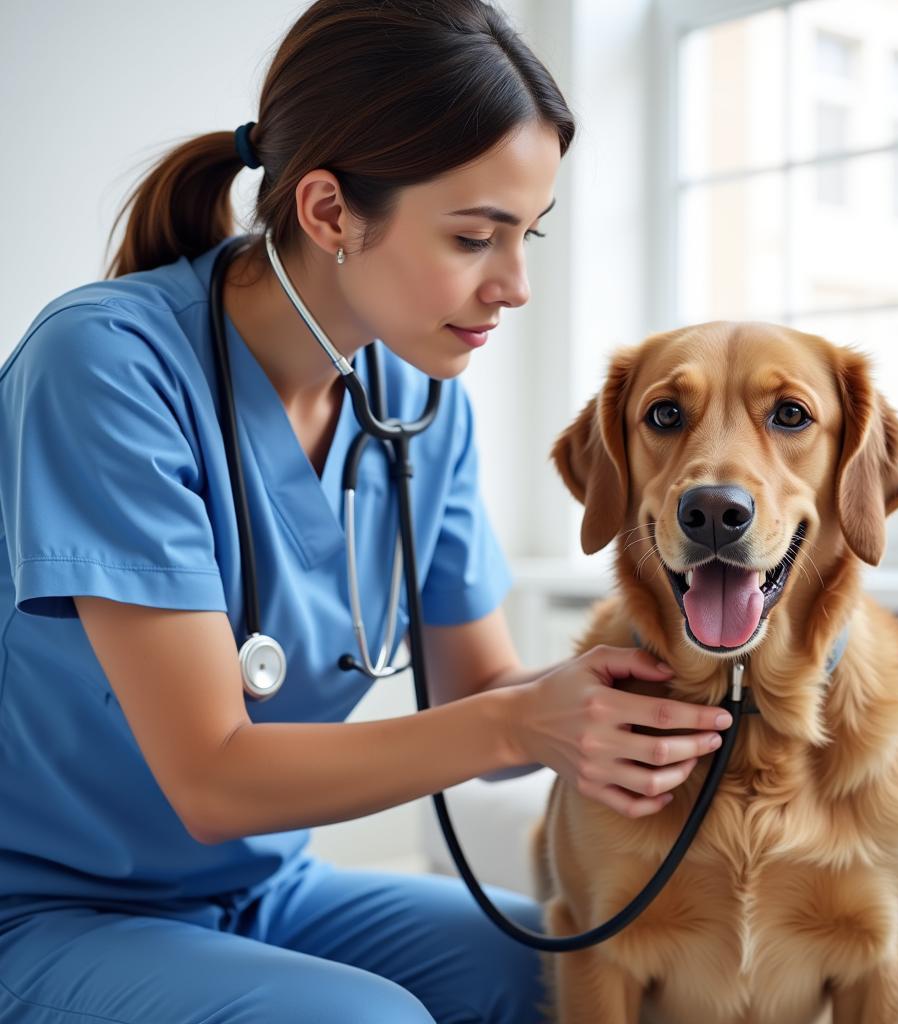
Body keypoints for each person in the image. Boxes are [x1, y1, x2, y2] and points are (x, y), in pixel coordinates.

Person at [0, 2, 733, 1021]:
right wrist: (522, 719)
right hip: (45, 911)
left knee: (585, 965)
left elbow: (481, 688)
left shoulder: (422, 406)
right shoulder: (105, 366)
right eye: (476, 236)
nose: (514, 285)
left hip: (262, 893)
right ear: (330, 211)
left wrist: (622, 700)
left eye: (529, 234)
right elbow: (212, 778)